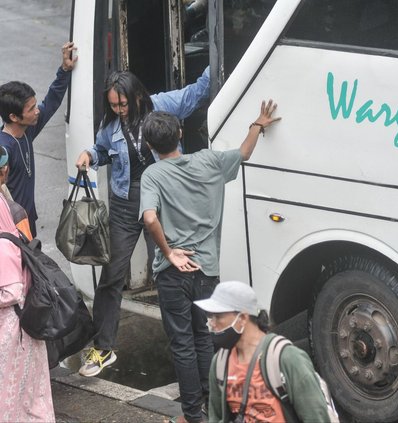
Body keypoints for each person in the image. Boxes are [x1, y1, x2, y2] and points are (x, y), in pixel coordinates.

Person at [139, 100, 280, 423]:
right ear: (179, 133)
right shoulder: (209, 161)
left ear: (149, 145)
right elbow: (244, 153)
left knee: (182, 344)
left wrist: (170, 251)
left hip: (172, 274)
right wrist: (257, 124)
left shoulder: (153, 175)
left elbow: (149, 219)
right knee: (205, 338)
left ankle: (193, 415)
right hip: (206, 271)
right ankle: (215, 404)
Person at [76, 67, 210, 378]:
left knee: (169, 273)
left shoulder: (162, 106)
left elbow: (197, 91)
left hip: (161, 204)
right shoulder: (111, 124)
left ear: (137, 97)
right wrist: (89, 156)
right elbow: (102, 151)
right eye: (113, 105)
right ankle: (103, 348)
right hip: (125, 205)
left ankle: (185, 344)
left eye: (122, 105)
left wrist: (226, 46)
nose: (119, 111)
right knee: (111, 276)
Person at [194, 280, 331, 423]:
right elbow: (216, 417)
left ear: (242, 318)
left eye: (218, 317)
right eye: (211, 317)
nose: (212, 323)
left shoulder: (286, 358)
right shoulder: (220, 363)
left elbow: (316, 417)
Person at [0, 41, 77, 238]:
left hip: (27, 221)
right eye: (31, 109)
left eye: (35, 105)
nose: (37, 111)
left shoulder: (27, 130)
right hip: (10, 229)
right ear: (14, 117)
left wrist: (65, 69)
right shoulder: (3, 149)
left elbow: (51, 102)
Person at [0, 147, 54, 422]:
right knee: (28, 393)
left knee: (14, 393)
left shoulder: (3, 238)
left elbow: (10, 290)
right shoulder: (13, 210)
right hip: (22, 322)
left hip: (13, 328)